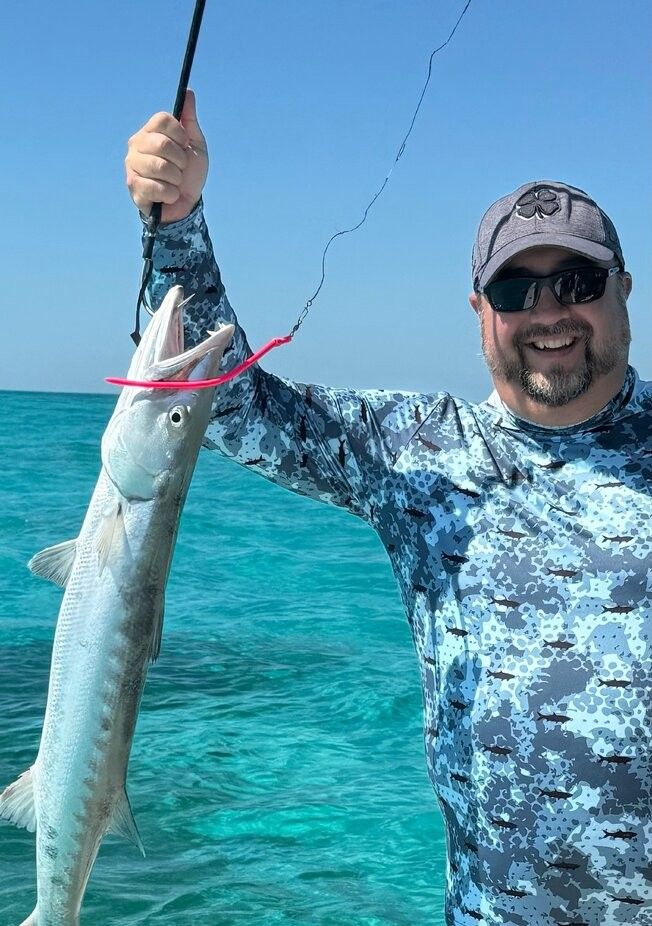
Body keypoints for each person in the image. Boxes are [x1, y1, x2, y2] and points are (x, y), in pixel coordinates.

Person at [125, 92, 652, 925]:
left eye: (577, 282)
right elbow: (221, 401)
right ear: (481, 311)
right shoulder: (420, 454)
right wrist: (177, 222)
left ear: (623, 289)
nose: (549, 312)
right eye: (516, 289)